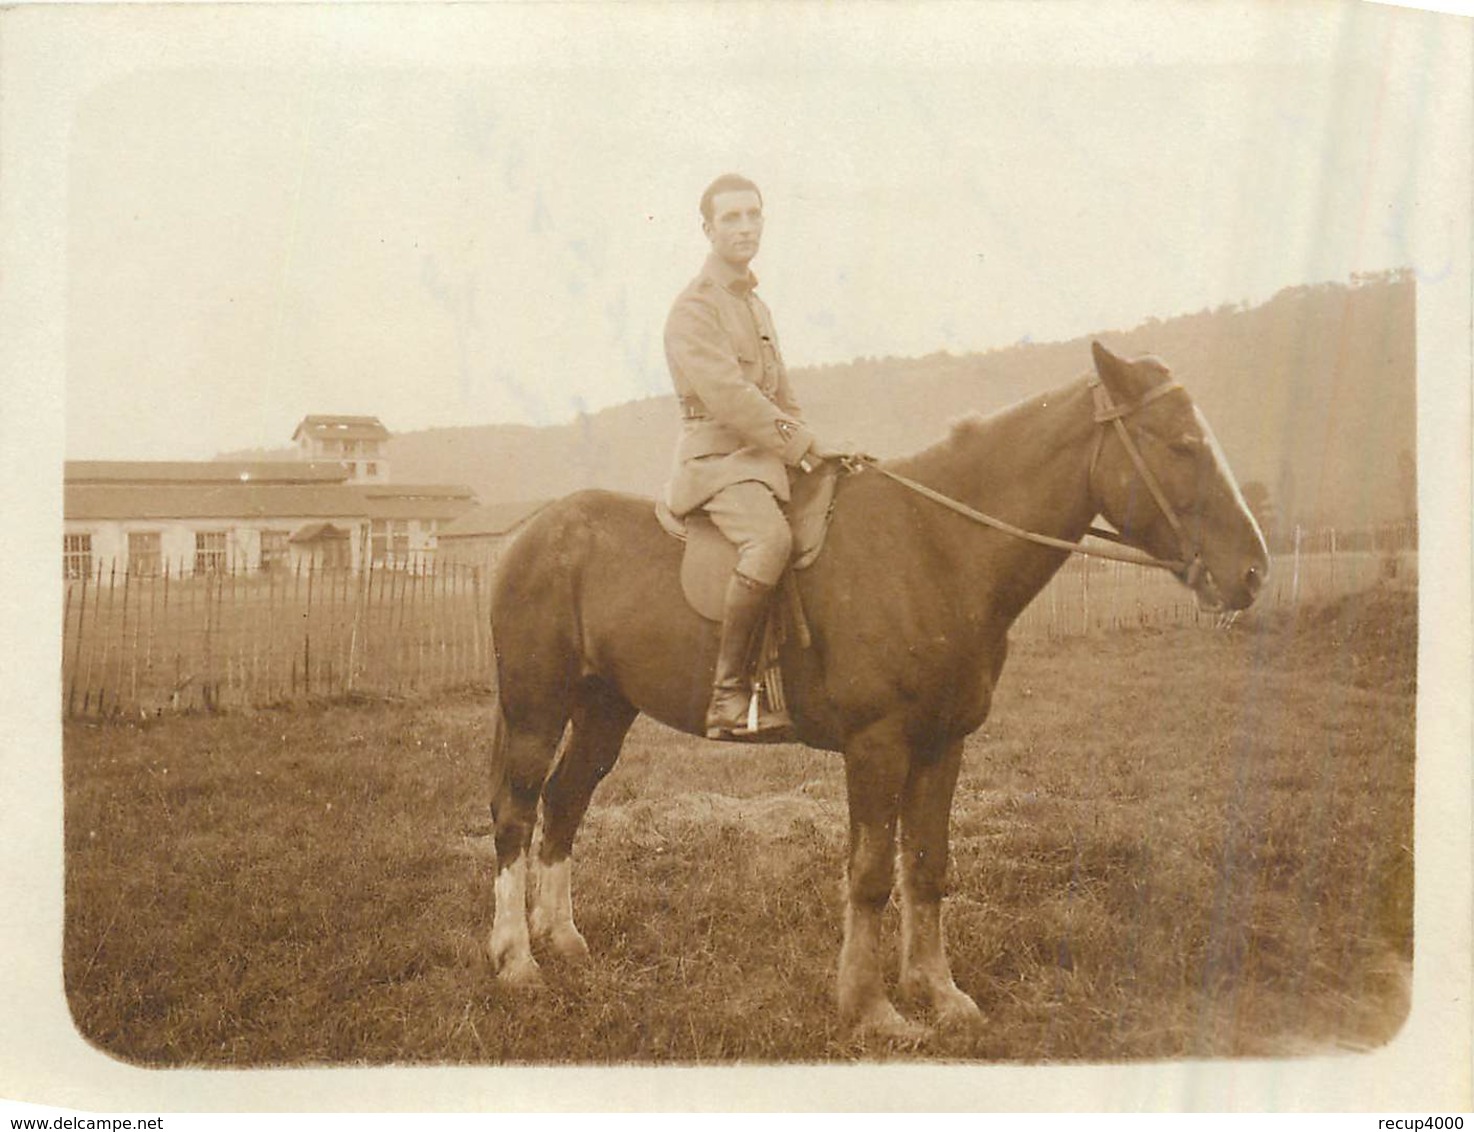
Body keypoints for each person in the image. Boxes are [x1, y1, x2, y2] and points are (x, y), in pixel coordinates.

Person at [663, 173, 851, 740]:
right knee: (770, 540)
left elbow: (780, 393)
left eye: (753, 215)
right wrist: (796, 442)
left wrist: (816, 448)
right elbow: (730, 396)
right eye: (731, 218)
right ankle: (728, 696)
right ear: (707, 229)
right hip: (717, 464)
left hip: (763, 459)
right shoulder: (695, 309)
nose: (745, 227)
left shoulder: (756, 306)